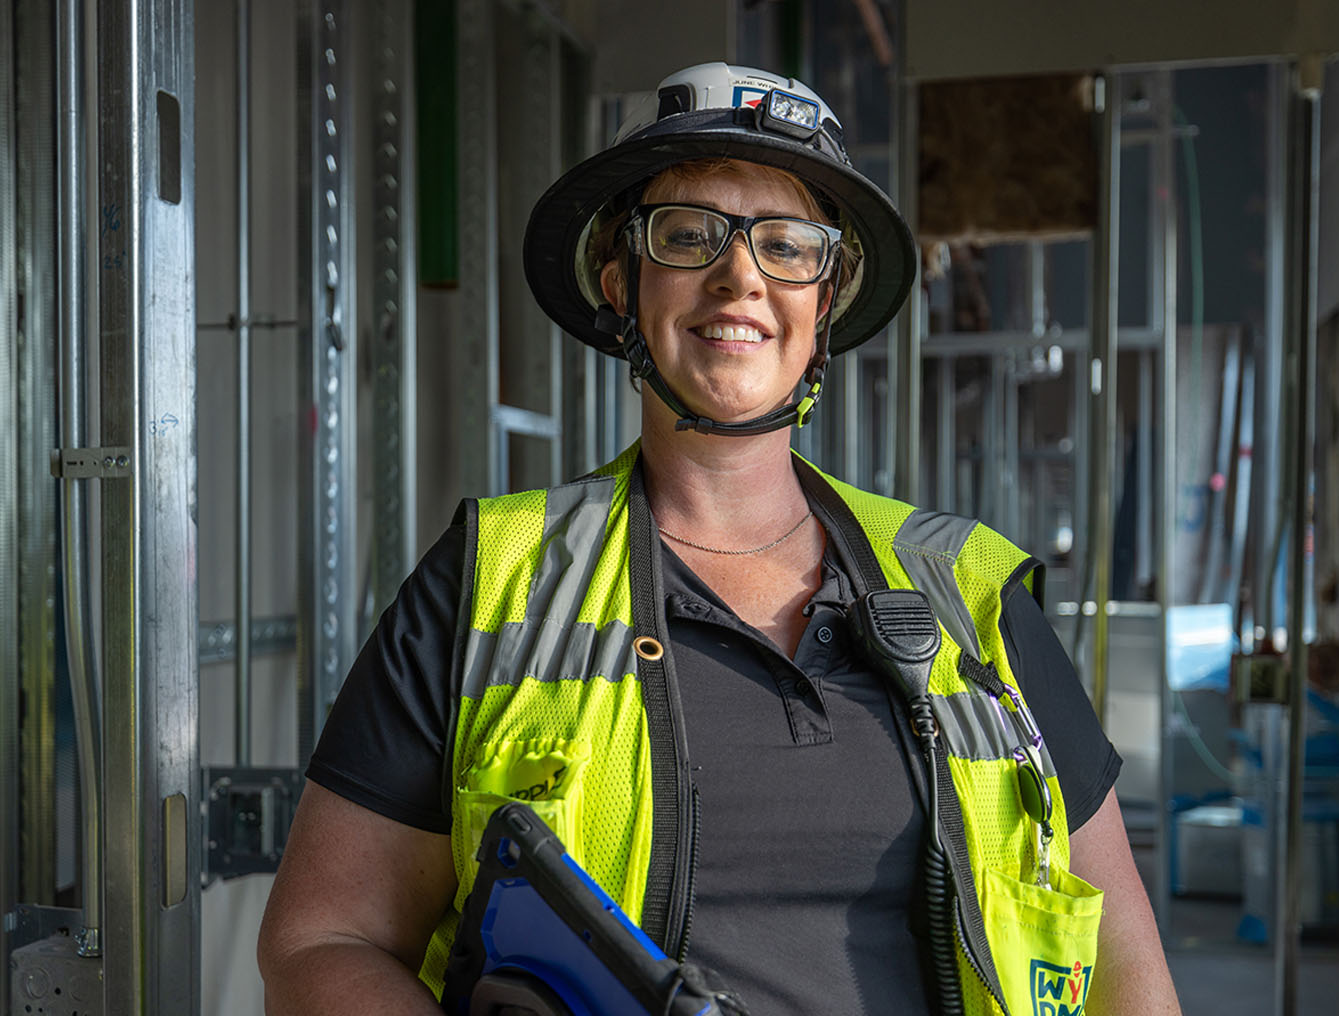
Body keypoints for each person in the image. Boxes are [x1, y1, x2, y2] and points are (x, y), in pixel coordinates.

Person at [258, 62, 1181, 1015]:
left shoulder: (969, 592)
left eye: (786, 244)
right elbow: (323, 937)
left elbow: (1127, 974)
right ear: (622, 285)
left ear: (825, 300)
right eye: (689, 235)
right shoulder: (495, 581)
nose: (739, 274)